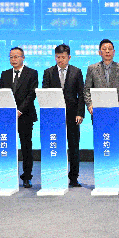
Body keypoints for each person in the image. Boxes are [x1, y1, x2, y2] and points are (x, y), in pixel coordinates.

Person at [83, 39, 119, 169]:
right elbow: (87, 89)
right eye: (104, 49)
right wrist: (89, 104)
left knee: (116, 142)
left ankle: (116, 173)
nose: (107, 51)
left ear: (114, 52)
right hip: (98, 112)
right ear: (99, 52)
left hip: (116, 112)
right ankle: (101, 172)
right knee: (101, 142)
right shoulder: (92, 69)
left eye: (110, 49)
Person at [42, 44, 85, 188]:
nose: (60, 60)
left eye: (63, 57)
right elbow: (45, 94)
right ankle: (56, 175)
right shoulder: (48, 72)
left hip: (73, 115)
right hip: (54, 115)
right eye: (57, 57)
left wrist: (80, 113)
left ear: (69, 57)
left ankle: (73, 178)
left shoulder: (76, 72)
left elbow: (81, 94)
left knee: (74, 146)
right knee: (55, 145)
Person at [0, 47, 38, 188]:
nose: (13, 59)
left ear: (23, 58)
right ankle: (7, 176)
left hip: (25, 115)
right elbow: (1, 93)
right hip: (8, 116)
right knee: (7, 146)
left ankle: (27, 177)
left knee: (26, 147)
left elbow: (32, 94)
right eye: (11, 57)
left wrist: (20, 110)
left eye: (16, 57)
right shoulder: (5, 74)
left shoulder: (32, 73)